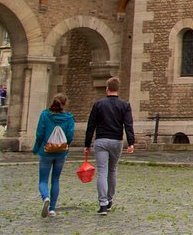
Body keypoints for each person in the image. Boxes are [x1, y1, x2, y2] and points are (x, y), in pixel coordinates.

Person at [84, 77, 135, 215]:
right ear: (118, 89)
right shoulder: (124, 105)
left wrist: (87, 144)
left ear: (107, 88)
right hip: (116, 141)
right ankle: (110, 199)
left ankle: (102, 204)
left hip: (101, 141)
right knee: (112, 171)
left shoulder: (98, 104)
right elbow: (128, 124)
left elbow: (91, 125)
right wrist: (131, 143)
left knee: (102, 171)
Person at [32, 93, 75, 218]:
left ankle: (45, 197)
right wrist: (65, 146)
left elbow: (39, 134)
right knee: (55, 179)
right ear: (65, 103)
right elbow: (70, 135)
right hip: (61, 152)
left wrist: (36, 148)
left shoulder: (45, 115)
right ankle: (52, 209)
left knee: (43, 180)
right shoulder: (69, 118)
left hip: (46, 151)